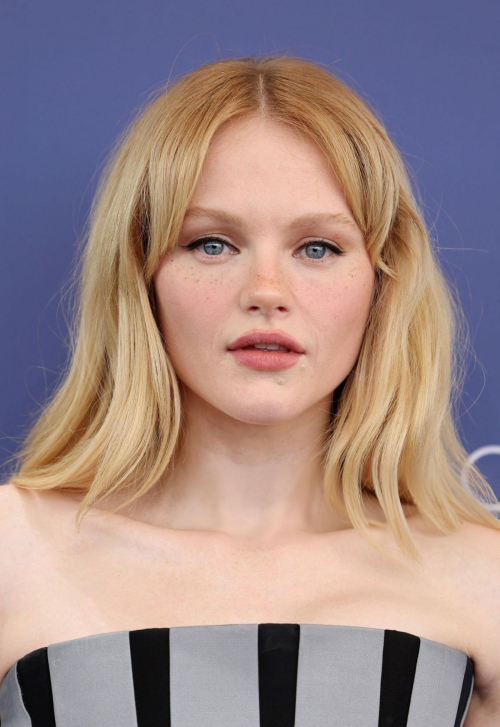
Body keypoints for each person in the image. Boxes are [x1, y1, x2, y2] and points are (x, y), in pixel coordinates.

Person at [0, 53, 498, 726]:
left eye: (317, 248)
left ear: (383, 283)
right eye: (212, 244)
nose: (267, 291)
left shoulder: (480, 576)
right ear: (142, 277)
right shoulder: (15, 549)